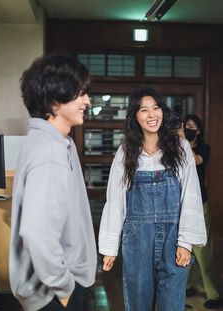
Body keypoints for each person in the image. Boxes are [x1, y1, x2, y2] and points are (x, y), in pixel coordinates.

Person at [98, 86, 207, 311]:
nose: (152, 115)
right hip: (136, 240)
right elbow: (115, 200)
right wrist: (110, 247)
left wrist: (185, 243)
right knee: (138, 305)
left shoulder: (181, 148)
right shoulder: (126, 152)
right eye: (144, 110)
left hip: (173, 238)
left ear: (163, 112)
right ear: (135, 117)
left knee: (172, 306)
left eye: (156, 108)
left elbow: (191, 195)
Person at [9, 54, 97, 311]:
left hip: (59, 286)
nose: (87, 101)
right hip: (55, 293)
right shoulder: (49, 151)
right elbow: (36, 232)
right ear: (55, 102)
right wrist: (63, 287)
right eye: (80, 94)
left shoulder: (59, 143)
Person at [184, 114, 223, 309]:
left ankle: (215, 294)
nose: (188, 129)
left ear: (198, 131)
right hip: (184, 205)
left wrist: (185, 142)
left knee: (203, 251)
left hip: (200, 205)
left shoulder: (202, 149)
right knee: (186, 249)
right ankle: (188, 286)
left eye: (192, 127)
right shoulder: (178, 148)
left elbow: (194, 161)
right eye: (185, 126)